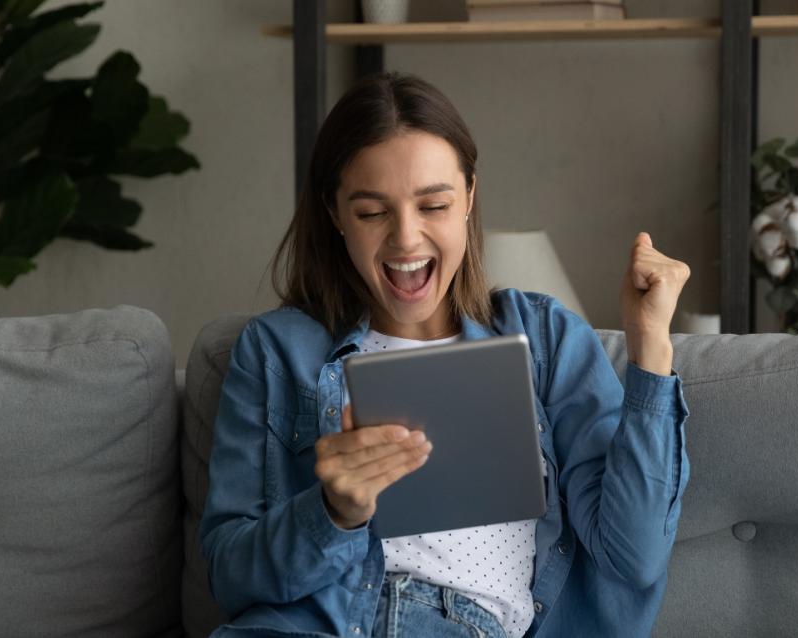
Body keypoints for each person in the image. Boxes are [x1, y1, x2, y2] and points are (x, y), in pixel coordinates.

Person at [199, 71, 691, 638]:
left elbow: (635, 555)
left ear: (469, 198)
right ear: (335, 214)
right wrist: (333, 513)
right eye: (371, 212)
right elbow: (230, 578)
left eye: (433, 205)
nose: (406, 239)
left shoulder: (546, 341)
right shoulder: (277, 351)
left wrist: (650, 344)